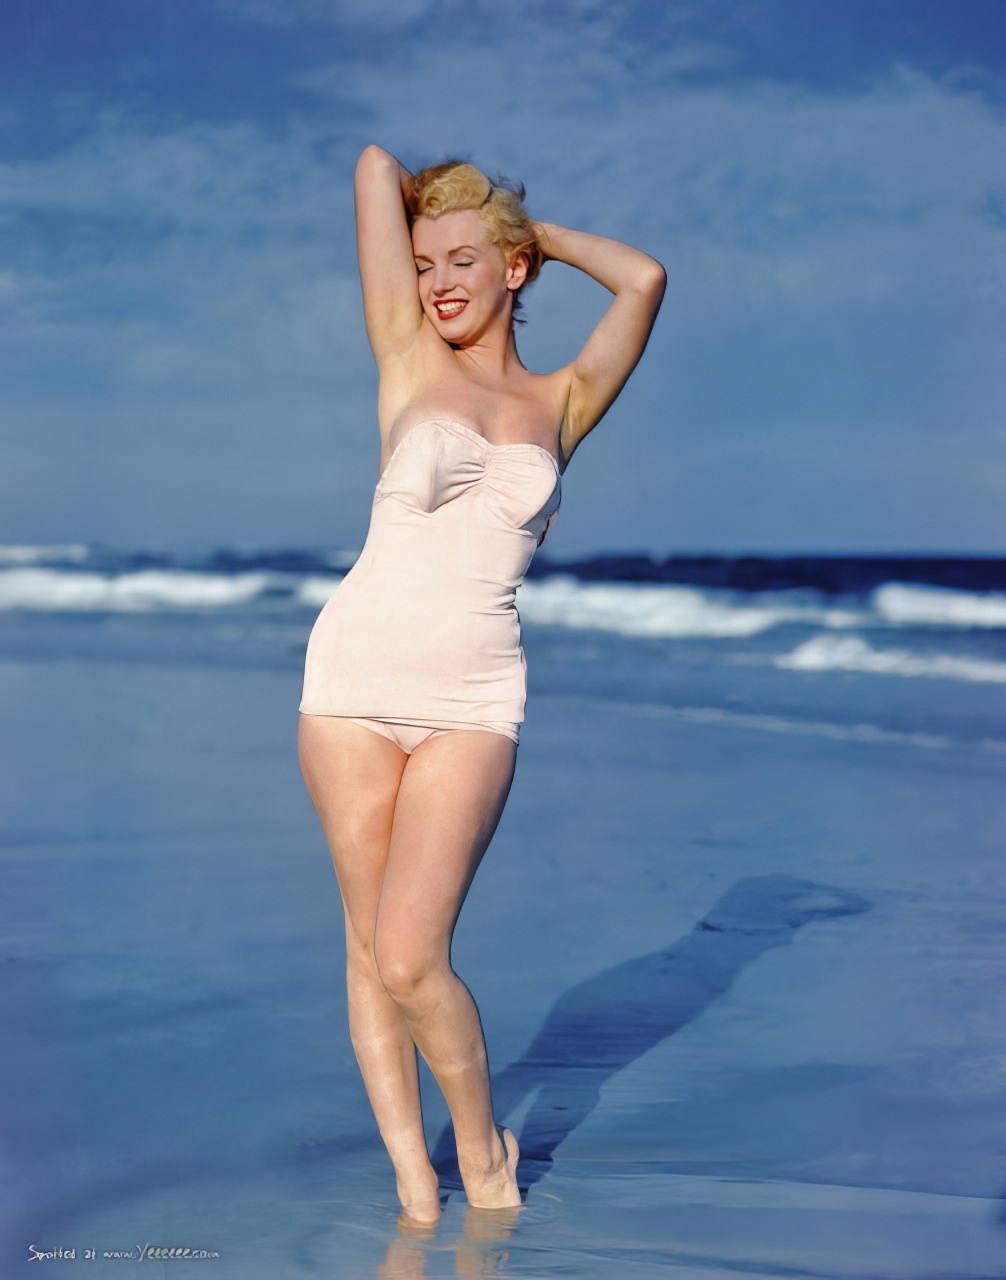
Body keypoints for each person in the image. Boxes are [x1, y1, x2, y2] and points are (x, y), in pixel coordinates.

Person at [298, 144, 665, 1223]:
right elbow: (372, 165)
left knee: (414, 951)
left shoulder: (564, 399)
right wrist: (455, 215)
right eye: (423, 265)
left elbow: (642, 278)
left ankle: (482, 1151)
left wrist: (524, 230)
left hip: (474, 698)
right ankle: (416, 1187)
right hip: (351, 681)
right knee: (368, 946)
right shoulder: (406, 353)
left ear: (514, 270)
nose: (438, 282)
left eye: (463, 261)